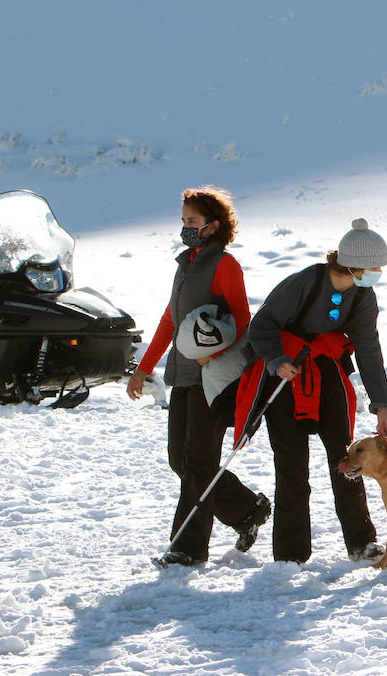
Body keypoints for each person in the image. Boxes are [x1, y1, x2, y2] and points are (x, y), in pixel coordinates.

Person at [128, 186, 271, 568]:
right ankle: (247, 510)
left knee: (199, 462)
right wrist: (144, 369)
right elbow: (169, 321)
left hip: (214, 379)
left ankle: (187, 549)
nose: (186, 228)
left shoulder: (225, 265)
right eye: (183, 221)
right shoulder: (186, 264)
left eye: (192, 221)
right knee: (181, 460)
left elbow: (243, 320)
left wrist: (217, 356)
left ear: (214, 225)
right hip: (183, 374)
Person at [247, 218, 387, 564]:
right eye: (374, 266)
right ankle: (290, 554)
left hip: (326, 374)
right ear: (353, 263)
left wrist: (381, 404)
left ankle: (362, 543)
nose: (378, 273)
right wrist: (277, 360)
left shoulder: (363, 296)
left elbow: (368, 348)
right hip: (286, 374)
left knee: (347, 460)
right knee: (291, 466)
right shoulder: (305, 283)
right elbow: (261, 325)